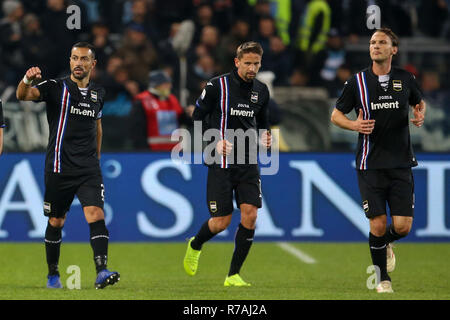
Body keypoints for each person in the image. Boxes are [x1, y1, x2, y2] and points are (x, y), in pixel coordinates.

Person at [15, 42, 120, 289]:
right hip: (59, 167)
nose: (78, 63)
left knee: (96, 214)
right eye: (74, 58)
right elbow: (23, 95)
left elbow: (98, 126)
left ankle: (102, 271)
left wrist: (97, 158)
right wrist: (27, 79)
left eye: (84, 59)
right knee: (56, 222)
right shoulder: (55, 87)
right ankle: (53, 274)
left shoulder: (98, 93)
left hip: (88, 168)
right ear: (70, 61)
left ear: (92, 64)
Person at [330, 28, 426, 293]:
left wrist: (419, 114)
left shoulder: (406, 79)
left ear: (393, 49)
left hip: (401, 162)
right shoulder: (357, 82)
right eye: (373, 42)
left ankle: (387, 243)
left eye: (382, 42)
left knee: (403, 227)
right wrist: (355, 125)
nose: (376, 46)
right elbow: (336, 115)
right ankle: (383, 279)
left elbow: (419, 103)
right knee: (378, 223)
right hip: (369, 163)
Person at [183, 41, 272, 286]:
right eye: (248, 63)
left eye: (256, 63)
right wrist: (215, 140)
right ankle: (196, 243)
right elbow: (197, 117)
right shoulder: (216, 86)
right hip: (220, 159)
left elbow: (263, 121)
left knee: (250, 215)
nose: (252, 68)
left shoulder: (261, 91)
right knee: (221, 222)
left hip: (248, 161)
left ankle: (233, 275)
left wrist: (266, 135)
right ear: (237, 62)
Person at [130, 69, 193, 151]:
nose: (170, 86)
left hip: (174, 150)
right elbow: (137, 129)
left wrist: (192, 114)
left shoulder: (172, 99)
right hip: (152, 150)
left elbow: (181, 119)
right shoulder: (142, 101)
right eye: (166, 84)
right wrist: (143, 150)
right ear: (156, 85)